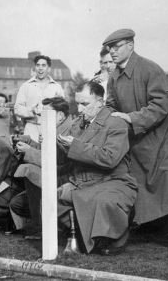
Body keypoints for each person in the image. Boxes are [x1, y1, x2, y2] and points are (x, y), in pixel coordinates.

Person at [103, 28, 168, 253]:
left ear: (131, 46)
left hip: (163, 138)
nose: (112, 52)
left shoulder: (150, 68)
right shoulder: (115, 76)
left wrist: (131, 117)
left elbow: (162, 104)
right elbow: (111, 105)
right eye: (109, 49)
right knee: (139, 186)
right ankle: (140, 230)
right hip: (138, 141)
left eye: (116, 47)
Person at [56, 82, 137, 255]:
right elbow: (66, 158)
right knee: (52, 199)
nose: (79, 109)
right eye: (77, 103)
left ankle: (112, 240)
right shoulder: (77, 124)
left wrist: (75, 146)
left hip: (114, 181)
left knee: (102, 201)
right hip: (84, 182)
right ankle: (82, 234)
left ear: (100, 102)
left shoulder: (116, 122)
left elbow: (109, 158)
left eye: (85, 104)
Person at [9, 97, 73, 240]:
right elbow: (48, 152)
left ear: (60, 116)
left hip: (64, 180)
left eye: (45, 115)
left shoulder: (67, 132)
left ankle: (45, 229)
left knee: (29, 170)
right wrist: (29, 142)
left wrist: (29, 150)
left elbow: (57, 162)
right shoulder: (57, 128)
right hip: (59, 179)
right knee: (17, 203)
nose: (41, 119)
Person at [14, 55, 64, 142]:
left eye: (43, 65)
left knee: (49, 155)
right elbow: (17, 109)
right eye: (38, 65)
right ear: (35, 68)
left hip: (51, 128)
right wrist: (32, 111)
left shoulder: (57, 87)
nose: (40, 68)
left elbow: (63, 111)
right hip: (31, 127)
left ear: (48, 68)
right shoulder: (26, 86)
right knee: (29, 154)